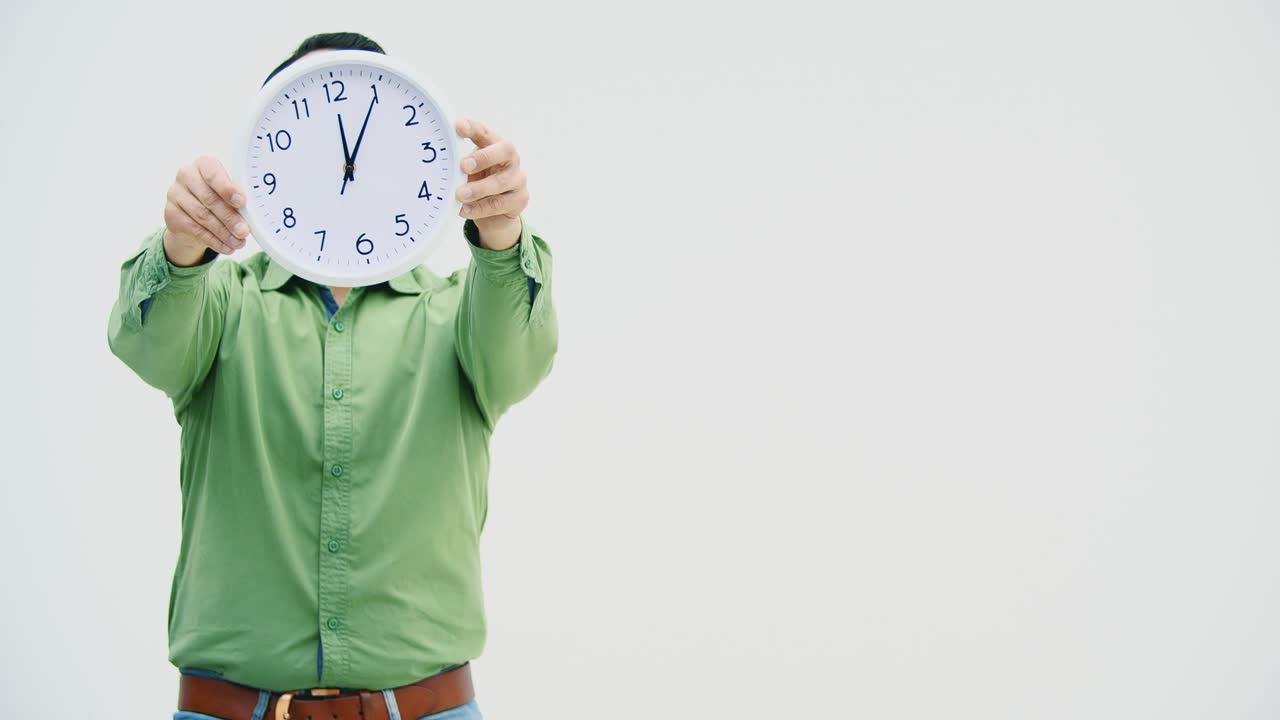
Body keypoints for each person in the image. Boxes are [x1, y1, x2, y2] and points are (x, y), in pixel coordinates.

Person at [105, 31, 557, 720]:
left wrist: (502, 234)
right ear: (261, 164)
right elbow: (146, 343)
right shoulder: (220, 301)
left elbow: (519, 359)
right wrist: (182, 247)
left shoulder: (453, 312)